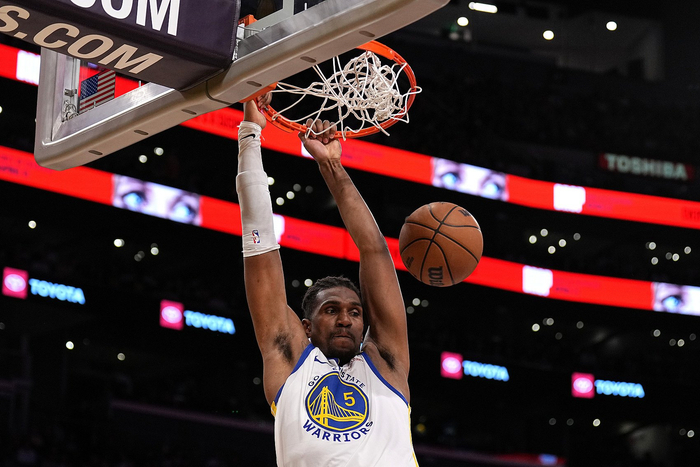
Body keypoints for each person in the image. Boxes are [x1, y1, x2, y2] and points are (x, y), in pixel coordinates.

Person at [236, 94, 417, 466]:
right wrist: (250, 134)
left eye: (355, 312)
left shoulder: (386, 362)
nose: (345, 319)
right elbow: (259, 243)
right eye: (331, 310)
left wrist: (332, 166)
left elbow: (375, 251)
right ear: (306, 326)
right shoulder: (291, 362)